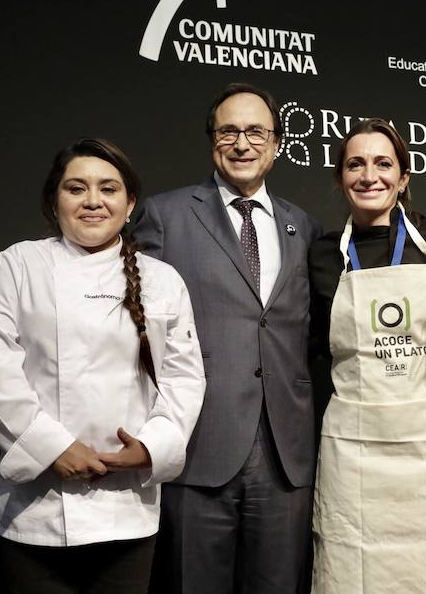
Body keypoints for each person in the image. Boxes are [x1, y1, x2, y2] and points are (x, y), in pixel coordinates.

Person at [0, 137, 206, 594]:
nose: (93, 201)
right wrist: (53, 447)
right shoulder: (18, 266)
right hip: (36, 507)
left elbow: (183, 378)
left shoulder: (162, 280)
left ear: (130, 201)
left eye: (109, 189)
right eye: (76, 188)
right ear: (54, 199)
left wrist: (152, 447)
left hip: (127, 506)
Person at [133, 82, 322, 594]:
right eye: (230, 131)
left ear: (278, 144)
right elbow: (135, 328)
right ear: (212, 139)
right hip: (199, 445)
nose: (243, 143)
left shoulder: (303, 227)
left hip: (287, 456)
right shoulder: (166, 215)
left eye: (256, 131)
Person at [308, 119, 426, 593]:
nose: (370, 176)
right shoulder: (323, 254)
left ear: (404, 177)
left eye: (384, 164)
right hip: (354, 448)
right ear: (341, 177)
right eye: (355, 164)